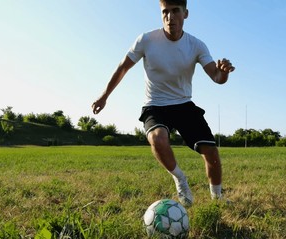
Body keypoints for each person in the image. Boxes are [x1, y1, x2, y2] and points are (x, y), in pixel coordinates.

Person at [92, 0, 235, 207]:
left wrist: (223, 73)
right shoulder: (147, 40)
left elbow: (216, 77)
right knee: (158, 139)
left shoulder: (196, 45)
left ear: (185, 14)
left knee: (211, 152)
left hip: (184, 104)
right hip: (155, 105)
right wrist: (104, 96)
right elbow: (123, 67)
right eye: (165, 12)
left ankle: (218, 198)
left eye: (175, 11)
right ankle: (180, 179)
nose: (170, 17)